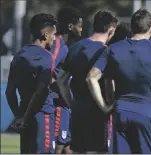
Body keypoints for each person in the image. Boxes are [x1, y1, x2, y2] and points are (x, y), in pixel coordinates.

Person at [86, 9, 151, 154]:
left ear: (132, 27)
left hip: (120, 113)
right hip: (146, 114)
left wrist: (105, 106)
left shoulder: (113, 49)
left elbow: (91, 77)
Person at [56, 10, 118, 153]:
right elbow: (105, 83)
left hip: (78, 113)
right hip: (97, 115)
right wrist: (105, 107)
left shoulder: (76, 47)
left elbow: (61, 81)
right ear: (111, 30)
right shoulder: (105, 52)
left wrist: (71, 103)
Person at [5, 13, 57, 153]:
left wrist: (19, 116)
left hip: (23, 113)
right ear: (46, 35)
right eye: (54, 34)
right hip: (42, 115)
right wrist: (26, 117)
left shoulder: (19, 56)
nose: (55, 38)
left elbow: (9, 91)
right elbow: (40, 92)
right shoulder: (46, 57)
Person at [52, 7, 83, 154]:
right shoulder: (58, 44)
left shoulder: (65, 46)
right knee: (58, 147)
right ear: (70, 26)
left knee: (67, 147)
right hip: (58, 104)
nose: (82, 29)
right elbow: (50, 72)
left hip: (64, 105)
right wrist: (70, 102)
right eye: (80, 25)